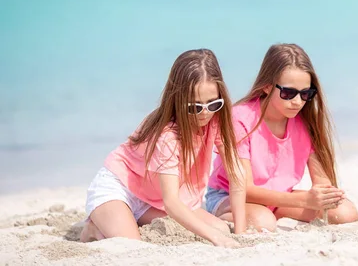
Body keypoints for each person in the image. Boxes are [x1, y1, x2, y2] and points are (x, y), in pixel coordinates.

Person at [80, 49, 245, 247]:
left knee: (220, 228)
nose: (205, 113)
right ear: (178, 100)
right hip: (121, 187)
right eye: (195, 107)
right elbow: (172, 203)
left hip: (153, 197)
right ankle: (94, 225)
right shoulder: (168, 136)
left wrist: (241, 232)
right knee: (131, 245)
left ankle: (128, 219)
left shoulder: (216, 119)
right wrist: (216, 240)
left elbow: (236, 175)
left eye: (213, 103)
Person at [205, 43, 358, 231]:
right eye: (288, 93)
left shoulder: (305, 122)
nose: (297, 102)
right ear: (268, 87)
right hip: (231, 196)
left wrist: (323, 196)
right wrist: (304, 200)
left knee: (345, 213)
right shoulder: (239, 119)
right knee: (263, 222)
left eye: (305, 94)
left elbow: (321, 181)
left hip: (281, 198)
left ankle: (275, 212)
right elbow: (245, 189)